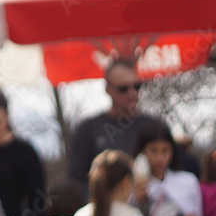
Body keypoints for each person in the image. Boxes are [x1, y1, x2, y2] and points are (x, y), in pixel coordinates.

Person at [67, 58, 159, 191]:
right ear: (108, 89)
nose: (132, 92)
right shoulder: (88, 129)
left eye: (137, 86)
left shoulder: (153, 126)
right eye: (123, 88)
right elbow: (76, 180)